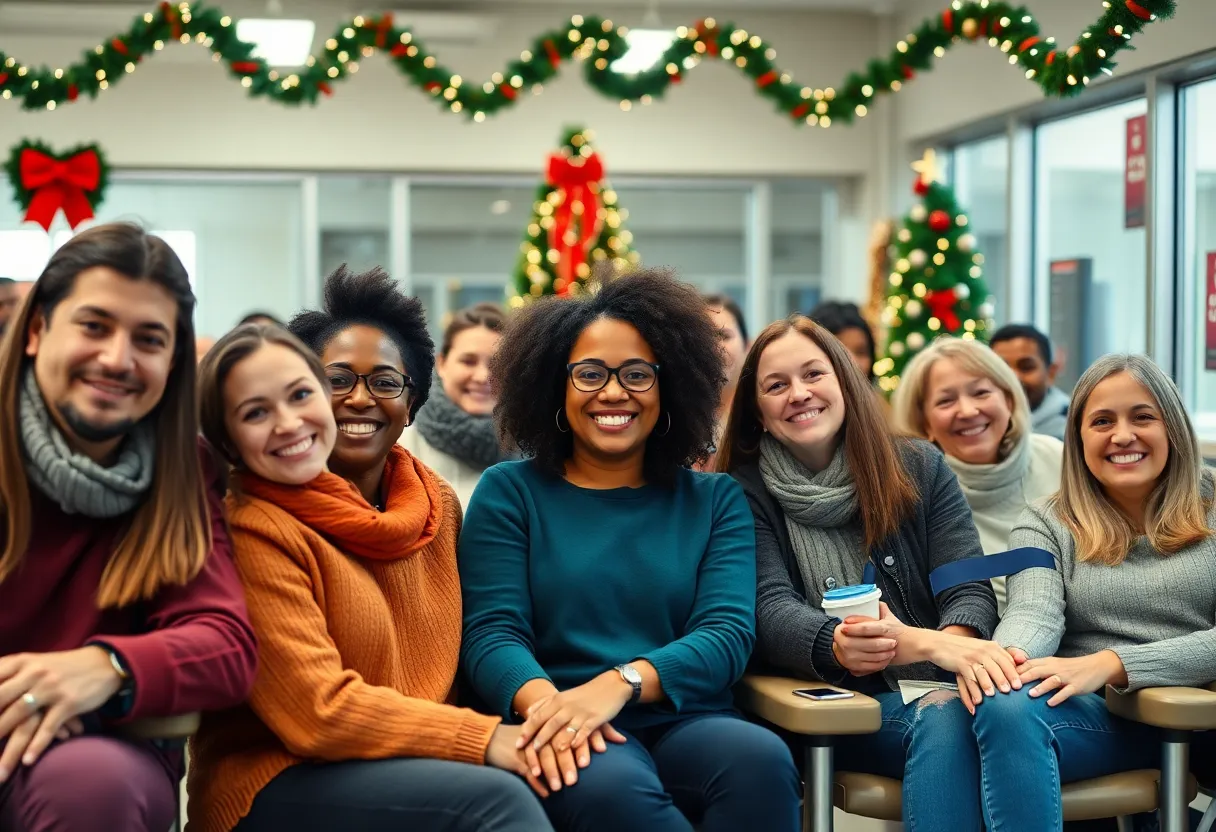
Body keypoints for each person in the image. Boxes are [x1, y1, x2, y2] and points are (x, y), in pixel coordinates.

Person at [187, 277, 552, 832]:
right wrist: (482, 739)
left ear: (412, 404)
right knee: (500, 802)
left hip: (419, 763)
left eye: (385, 382)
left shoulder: (437, 505)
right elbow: (317, 714)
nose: (360, 398)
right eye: (336, 380)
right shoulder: (254, 524)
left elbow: (478, 647)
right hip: (279, 774)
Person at [459, 269, 801, 832]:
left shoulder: (715, 499)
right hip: (558, 713)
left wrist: (618, 684)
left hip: (686, 716)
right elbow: (491, 634)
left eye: (637, 374)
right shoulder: (509, 492)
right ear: (555, 386)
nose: (614, 392)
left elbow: (726, 634)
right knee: (612, 791)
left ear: (670, 388)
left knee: (759, 762)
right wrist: (554, 710)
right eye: (590, 373)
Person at [0, 222, 257, 831]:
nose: (117, 359)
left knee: (91, 785)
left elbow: (225, 645)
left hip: (92, 757)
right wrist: (26, 695)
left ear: (173, 361)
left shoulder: (183, 467)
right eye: (94, 326)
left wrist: (105, 668)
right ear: (36, 331)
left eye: (149, 339)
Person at [719, 314, 1010, 832]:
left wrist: (950, 645)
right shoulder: (739, 492)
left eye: (813, 374)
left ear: (846, 383)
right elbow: (767, 607)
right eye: (776, 386)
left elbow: (967, 585)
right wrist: (835, 643)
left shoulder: (920, 466)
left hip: (937, 689)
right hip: (822, 709)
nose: (799, 394)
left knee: (986, 717)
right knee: (948, 719)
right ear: (758, 412)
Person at [961, 353, 1216, 830]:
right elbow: (1034, 611)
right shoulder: (1044, 521)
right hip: (1104, 722)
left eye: (1143, 417)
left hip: (1206, 719)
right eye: (1102, 421)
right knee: (1004, 704)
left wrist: (1114, 663)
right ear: (1078, 439)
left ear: (1174, 427)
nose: (1122, 436)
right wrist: (1008, 660)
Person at [892, 337, 1063, 612]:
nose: (968, 411)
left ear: (1008, 400)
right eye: (946, 401)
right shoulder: (914, 496)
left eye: (981, 393)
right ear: (925, 424)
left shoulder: (1058, 458)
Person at [399, 302, 511, 507]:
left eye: (496, 364)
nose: (482, 376)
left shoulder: (536, 453)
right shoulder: (400, 447)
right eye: (468, 361)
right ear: (442, 364)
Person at [990, 323, 1069, 441]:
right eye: (1002, 368)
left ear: (1051, 373)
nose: (1013, 378)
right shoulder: (979, 423)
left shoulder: (1073, 428)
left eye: (1026, 367)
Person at [698, 293, 749, 472]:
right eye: (704, 337)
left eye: (724, 336)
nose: (714, 348)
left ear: (747, 345)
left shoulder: (761, 415)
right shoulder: (671, 418)